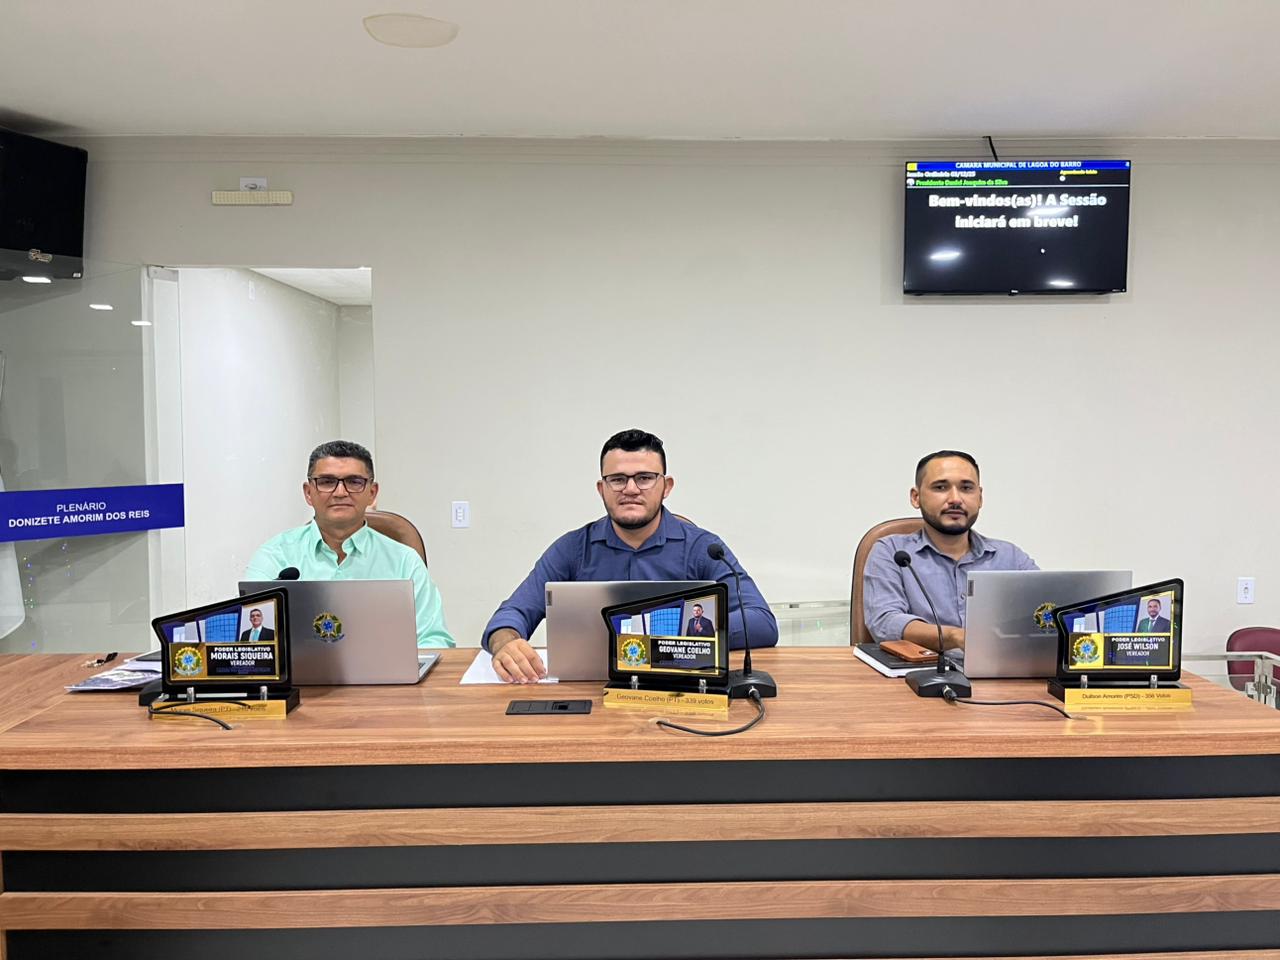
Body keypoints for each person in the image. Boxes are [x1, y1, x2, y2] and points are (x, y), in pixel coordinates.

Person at [483, 428, 776, 683]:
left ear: (666, 486)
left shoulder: (702, 548)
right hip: (592, 692)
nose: (631, 489)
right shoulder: (572, 549)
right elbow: (511, 615)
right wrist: (505, 643)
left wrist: (667, 639)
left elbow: (761, 622)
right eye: (618, 479)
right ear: (602, 489)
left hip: (680, 688)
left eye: (645, 478)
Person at [245, 439, 454, 648]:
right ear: (308, 493)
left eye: (354, 482)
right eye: (327, 481)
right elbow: (253, 642)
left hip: (386, 669)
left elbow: (434, 640)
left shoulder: (404, 562)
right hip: (297, 671)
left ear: (372, 493)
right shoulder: (275, 557)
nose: (340, 492)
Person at [863, 450, 1037, 651]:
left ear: (980, 498)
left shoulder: (1010, 557)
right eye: (941, 487)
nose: (955, 499)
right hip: (923, 668)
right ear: (916, 497)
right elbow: (885, 622)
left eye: (966, 488)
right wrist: (955, 637)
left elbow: (1047, 611)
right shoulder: (892, 552)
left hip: (1001, 667)